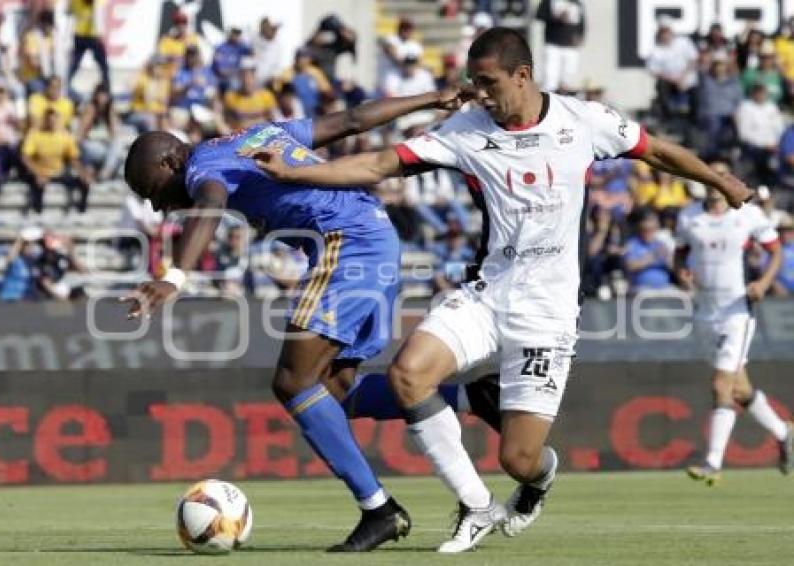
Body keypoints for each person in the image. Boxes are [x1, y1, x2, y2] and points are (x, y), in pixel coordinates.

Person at [253, 27, 754, 553]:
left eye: (489, 82)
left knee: (518, 460)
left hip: (549, 312)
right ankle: (474, 506)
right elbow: (381, 163)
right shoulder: (464, 130)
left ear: (523, 74)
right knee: (408, 374)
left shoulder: (584, 121)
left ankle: (539, 479)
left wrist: (720, 183)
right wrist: (295, 173)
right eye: (474, 82)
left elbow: (657, 153)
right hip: (487, 294)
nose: (481, 93)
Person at [121, 88, 501, 552]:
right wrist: (430, 98)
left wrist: (174, 276)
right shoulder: (256, 135)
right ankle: (473, 395)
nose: (160, 208)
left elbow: (210, 205)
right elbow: (353, 119)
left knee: (292, 382)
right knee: (334, 393)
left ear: (168, 164)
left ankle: (379, 510)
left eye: (152, 194)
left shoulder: (204, 167)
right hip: (378, 236)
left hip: (347, 245)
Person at [675, 162, 793, 485]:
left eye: (723, 175)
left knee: (720, 386)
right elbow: (679, 254)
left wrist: (764, 283)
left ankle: (713, 462)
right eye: (711, 174)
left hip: (736, 312)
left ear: (731, 181)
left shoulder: (748, 215)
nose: (716, 182)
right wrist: (680, 272)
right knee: (739, 388)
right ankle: (784, 433)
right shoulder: (688, 216)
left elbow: (775, 252)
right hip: (704, 311)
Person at [21, 108, 90, 216]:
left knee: (84, 182)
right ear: (45, 120)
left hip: (58, 172)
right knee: (37, 184)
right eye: (49, 120)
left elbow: (73, 158)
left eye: (54, 120)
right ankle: (37, 212)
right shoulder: (35, 134)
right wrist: (37, 173)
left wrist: (82, 172)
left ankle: (82, 210)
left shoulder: (64, 135)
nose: (51, 123)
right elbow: (25, 157)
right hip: (40, 172)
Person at [536, 0, 585, 92]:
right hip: (553, 44)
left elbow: (582, 22)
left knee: (569, 77)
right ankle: (549, 99)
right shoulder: (549, 2)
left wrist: (581, 36)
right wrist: (556, 17)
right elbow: (539, 15)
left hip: (570, 46)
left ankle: (564, 98)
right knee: (550, 78)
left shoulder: (577, 3)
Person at [68, 0, 112, 93]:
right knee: (74, 64)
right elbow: (70, 12)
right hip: (83, 35)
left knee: (103, 65)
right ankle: (65, 84)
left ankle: (107, 88)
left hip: (91, 35)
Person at [623, 211, 673, 291]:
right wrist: (653, 256)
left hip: (665, 287)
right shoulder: (632, 244)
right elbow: (630, 266)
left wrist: (668, 257)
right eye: (645, 230)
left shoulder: (662, 244)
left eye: (651, 230)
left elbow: (673, 267)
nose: (648, 233)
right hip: (641, 289)